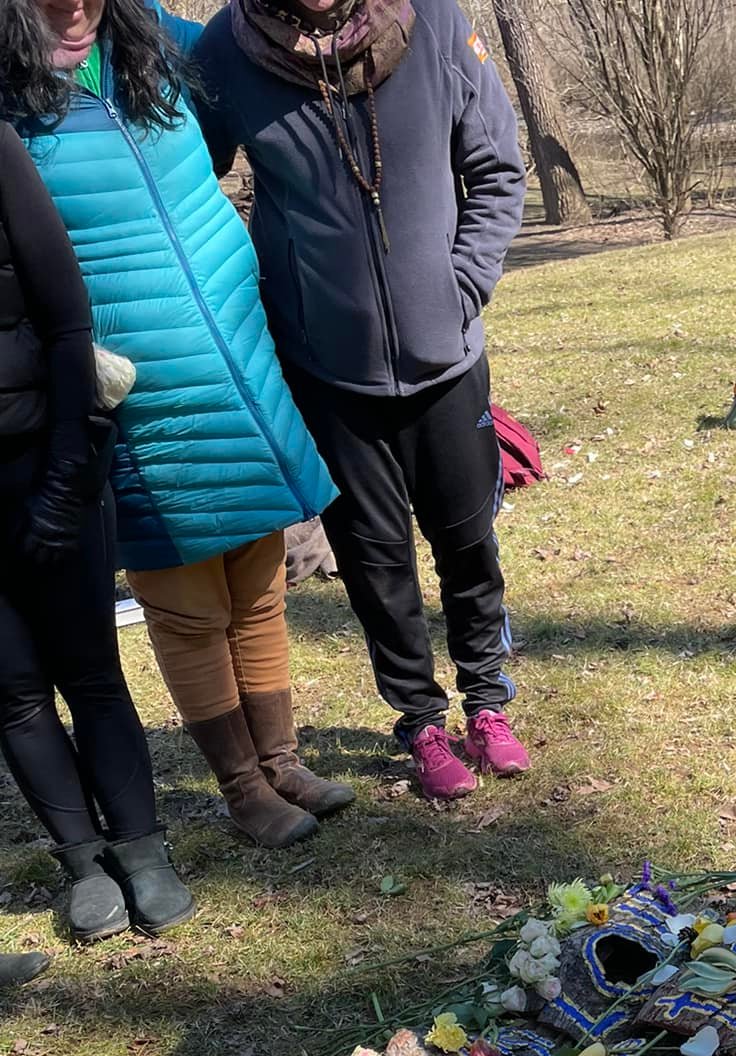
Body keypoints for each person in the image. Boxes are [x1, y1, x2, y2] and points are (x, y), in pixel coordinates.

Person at [6, 0, 349, 851]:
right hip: (130, 365)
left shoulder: (155, 35)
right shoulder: (7, 77)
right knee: (186, 593)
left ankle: (281, 759)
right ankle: (241, 787)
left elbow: (268, 50)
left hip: (230, 340)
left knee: (258, 574)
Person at [193, 0, 531, 803]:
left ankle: (487, 700)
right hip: (326, 370)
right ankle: (418, 719)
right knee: (375, 561)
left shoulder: (438, 23)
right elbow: (184, 183)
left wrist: (460, 288)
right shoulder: (227, 49)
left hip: (447, 359)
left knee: (468, 543)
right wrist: (268, 287)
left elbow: (496, 168)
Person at [0, 116, 193, 963]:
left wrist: (66, 475)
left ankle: (143, 847)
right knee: (10, 691)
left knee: (89, 671)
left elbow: (69, 322)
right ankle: (83, 862)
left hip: (44, 462)